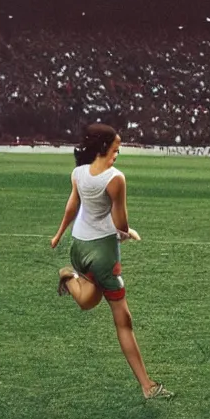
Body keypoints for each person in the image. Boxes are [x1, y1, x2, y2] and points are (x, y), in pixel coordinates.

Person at [49, 122, 172, 400]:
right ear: (104, 148)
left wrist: (58, 236)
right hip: (103, 254)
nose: (118, 154)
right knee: (124, 320)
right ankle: (148, 386)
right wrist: (127, 234)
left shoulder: (78, 173)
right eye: (116, 149)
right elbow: (121, 222)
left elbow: (72, 206)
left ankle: (69, 278)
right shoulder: (116, 178)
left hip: (79, 249)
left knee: (89, 301)